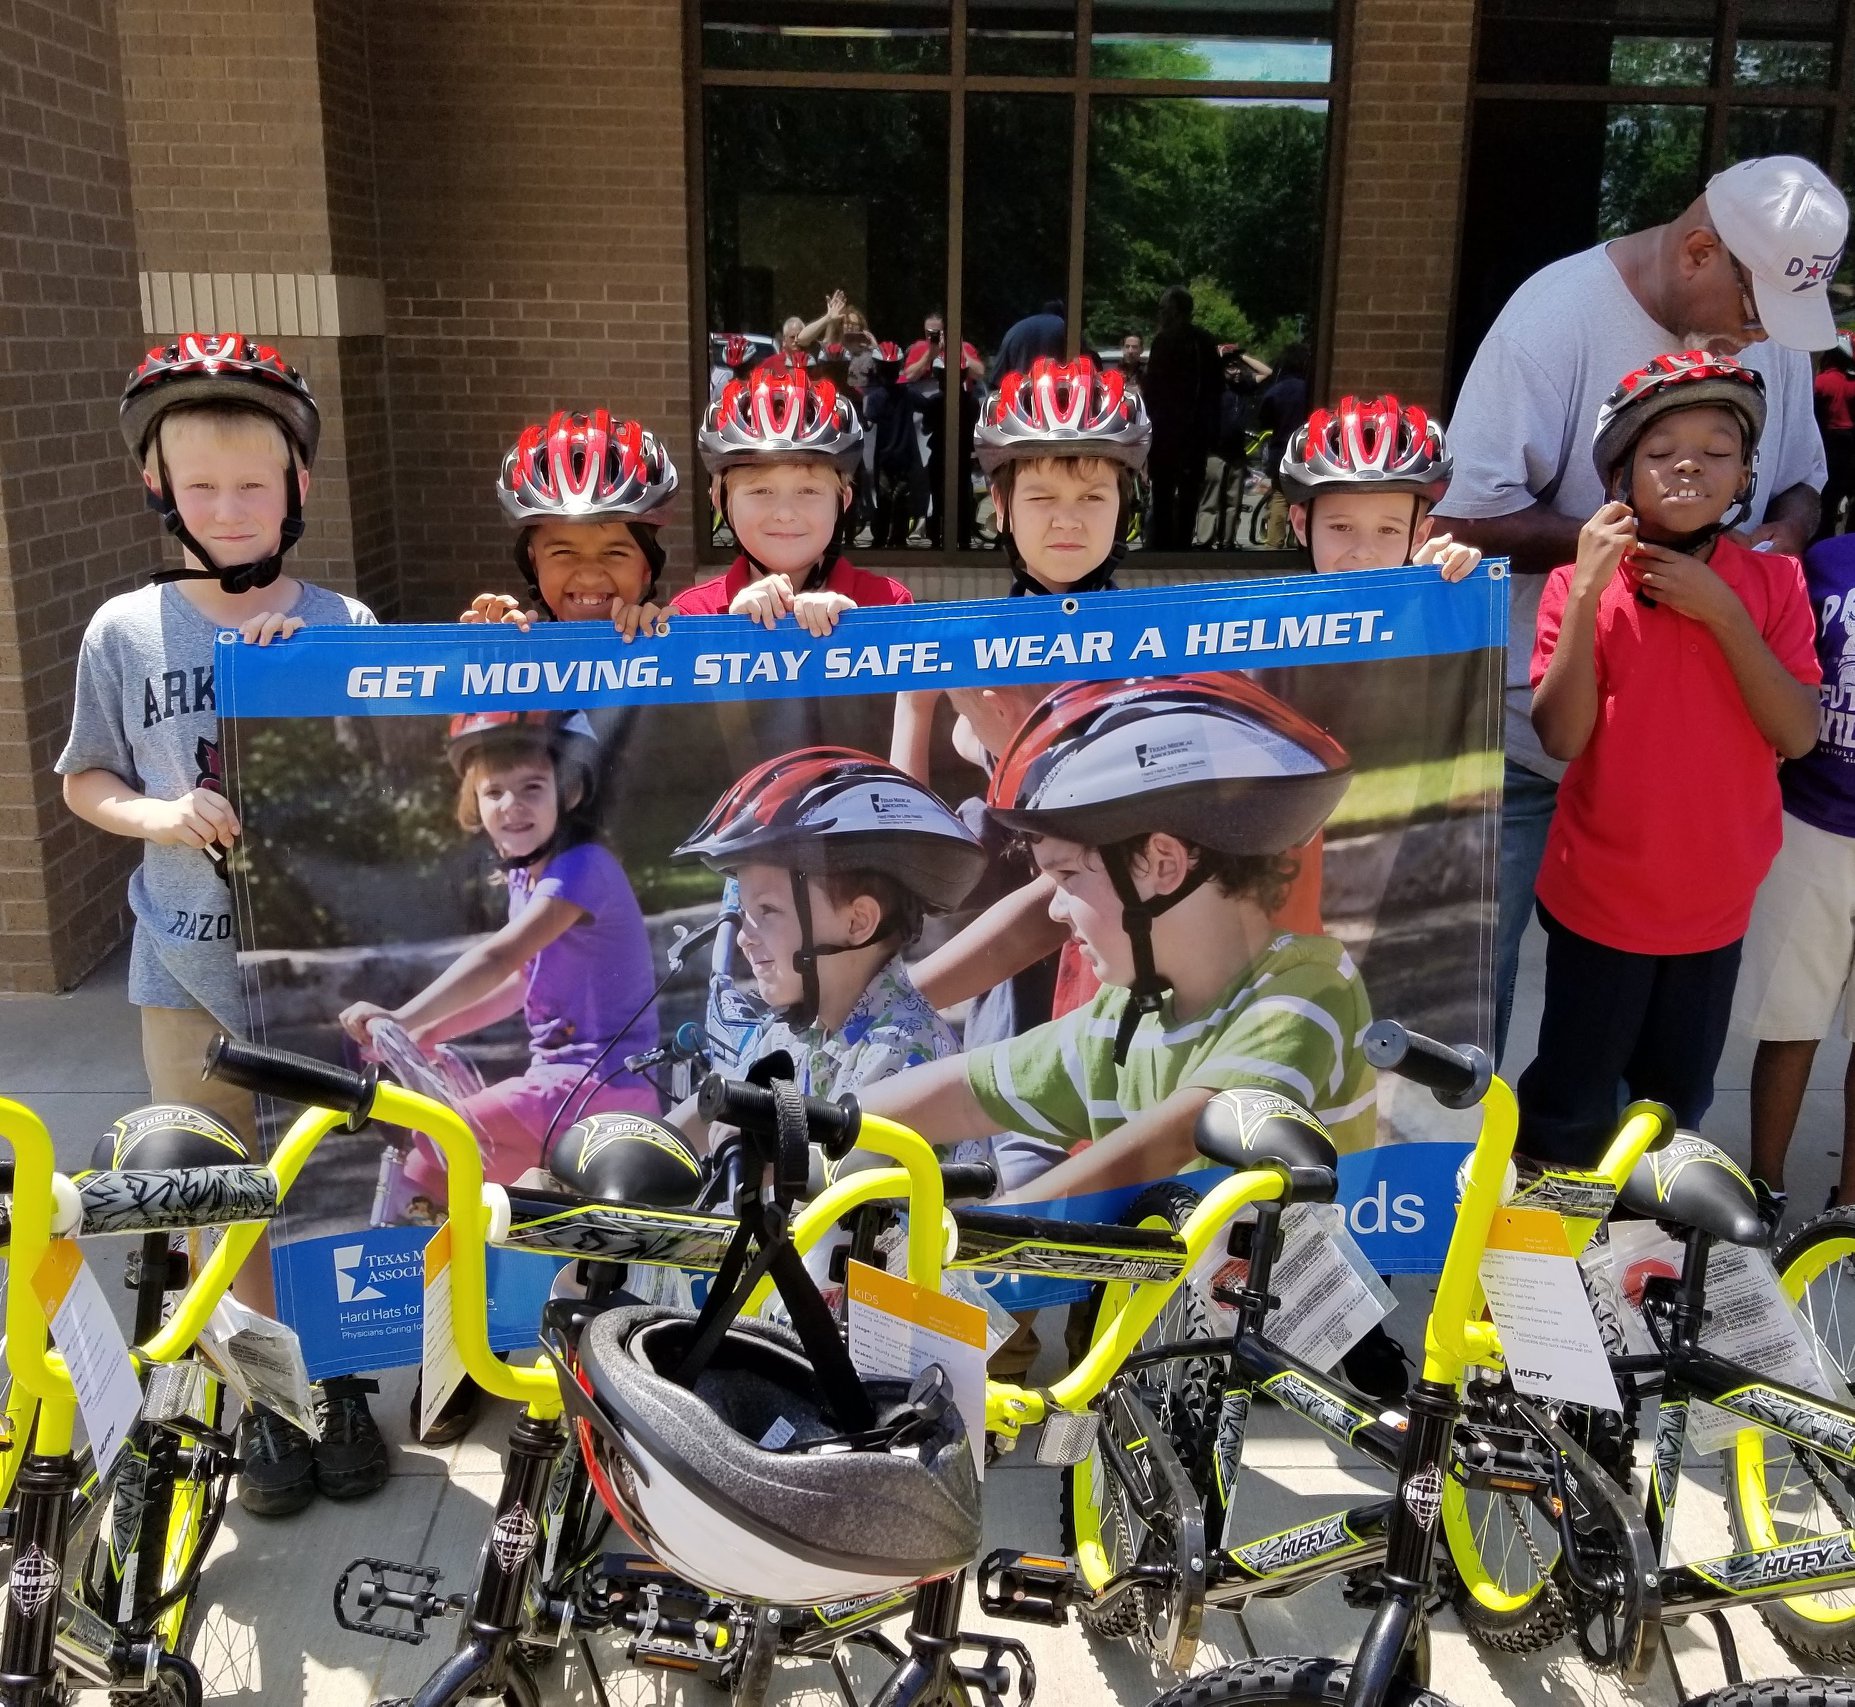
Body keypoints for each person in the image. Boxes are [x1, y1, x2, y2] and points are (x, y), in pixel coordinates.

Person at [56, 333, 386, 1516]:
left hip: (306, 965)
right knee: (214, 1194)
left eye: (254, 484)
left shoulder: (343, 618)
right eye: (202, 486)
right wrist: (157, 811)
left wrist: (318, 701)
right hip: (181, 965)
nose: (230, 507)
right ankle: (263, 1399)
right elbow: (85, 778)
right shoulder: (124, 630)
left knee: (330, 1183)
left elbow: (384, 787)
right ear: (157, 487)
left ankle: (338, 1381)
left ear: (298, 487)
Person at [1434, 155, 1844, 1065]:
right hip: (1525, 741)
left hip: (1673, 773)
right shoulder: (1553, 316)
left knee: (1628, 1040)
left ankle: (1617, 1202)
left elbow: (1805, 483)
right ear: (1700, 251)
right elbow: (1463, 511)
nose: (1761, 337)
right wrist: (1628, 548)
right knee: (1469, 1012)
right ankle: (1468, 1189)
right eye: (1752, 313)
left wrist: (1777, 533)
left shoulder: (1764, 324)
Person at [856, 675, 1376, 1196]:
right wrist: (821, 1122)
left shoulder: (1303, 994)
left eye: (1067, 878)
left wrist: (986, 1233)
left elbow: (1176, 1140)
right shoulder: (1128, 1016)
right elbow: (969, 1092)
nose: (1056, 909)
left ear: (1162, 863)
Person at [1518, 352, 1820, 1167]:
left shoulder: (1774, 583)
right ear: (1620, 476)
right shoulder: (1579, 584)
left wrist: (1723, 614)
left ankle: (1637, 1272)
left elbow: (1797, 732)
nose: (1689, 463)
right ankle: (1543, 1277)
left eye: (1717, 449)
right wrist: (1584, 589)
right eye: (1660, 451)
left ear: (1746, 475)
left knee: (1669, 1112)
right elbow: (1560, 735)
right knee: (1569, 1106)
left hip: (1714, 904)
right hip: (1600, 899)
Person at [338, 711, 661, 1187]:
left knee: (436, 1143)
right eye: (494, 792)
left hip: (602, 1086)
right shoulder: (524, 879)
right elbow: (521, 983)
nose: (512, 805)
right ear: (475, 805)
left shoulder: (582, 868)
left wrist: (403, 1016)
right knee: (483, 1195)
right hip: (565, 1087)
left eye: (532, 787)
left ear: (568, 793)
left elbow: (500, 958)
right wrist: (425, 1032)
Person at [668, 748, 988, 1128]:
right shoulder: (794, 1035)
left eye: (767, 911)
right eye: (746, 914)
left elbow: (819, 1174)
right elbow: (711, 1115)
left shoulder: (901, 1052)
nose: (744, 939)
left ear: (857, 923)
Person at [1740, 519, 1855, 1207]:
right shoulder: (1822, 564)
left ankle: (1846, 1207)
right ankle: (1763, 1190)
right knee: (1789, 1021)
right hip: (1809, 819)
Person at [679, 366, 912, 633]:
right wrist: (728, 635)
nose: (785, 513)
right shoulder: (691, 615)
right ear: (721, 501)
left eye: (808, 491)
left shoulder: (890, 605)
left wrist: (858, 634)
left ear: (843, 502)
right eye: (761, 491)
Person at [459, 410, 676, 638]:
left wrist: (667, 645)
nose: (589, 577)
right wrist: (485, 662)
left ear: (647, 566)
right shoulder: (511, 656)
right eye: (563, 551)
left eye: (615, 553)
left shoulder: (676, 647)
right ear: (533, 563)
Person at [1281, 395, 1482, 581]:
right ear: (1301, 524)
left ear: (1418, 537)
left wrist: (1437, 591)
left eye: (1388, 530)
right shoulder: (1270, 616)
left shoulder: (1423, 604)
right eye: (1341, 527)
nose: (1362, 553)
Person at [1143, 286, 1224, 550]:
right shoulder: (1204, 341)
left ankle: (1162, 544)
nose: (1161, 315)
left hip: (1169, 429)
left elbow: (1153, 388)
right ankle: (1181, 542)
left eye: (1164, 309)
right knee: (1188, 490)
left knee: (1164, 489)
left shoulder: (1165, 341)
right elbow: (1216, 386)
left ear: (1176, 312)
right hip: (1194, 429)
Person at [860, 342, 926, 549]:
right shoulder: (907, 393)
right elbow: (929, 405)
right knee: (899, 500)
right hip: (905, 456)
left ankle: (881, 539)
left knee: (886, 499)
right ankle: (897, 539)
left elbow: (868, 424)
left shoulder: (875, 398)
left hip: (885, 457)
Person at [1255, 344, 1312, 549]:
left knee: (1280, 497)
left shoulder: (1276, 390)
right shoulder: (1311, 389)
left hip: (1280, 449)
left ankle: (1273, 543)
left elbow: (1264, 420)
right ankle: (1302, 543)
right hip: (1306, 448)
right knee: (1304, 498)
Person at [1814, 342, 1855, 542]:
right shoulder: (1850, 383)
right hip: (1850, 440)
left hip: (1830, 441)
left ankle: (1824, 535)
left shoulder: (1822, 382)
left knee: (1829, 493)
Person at [990, 299, 1068, 383]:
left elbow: (996, 378)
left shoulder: (1016, 329)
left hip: (1018, 389)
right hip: (1053, 390)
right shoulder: (1066, 329)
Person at [901, 311, 984, 387]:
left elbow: (979, 374)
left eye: (936, 333)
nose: (931, 337)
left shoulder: (964, 347)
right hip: (925, 398)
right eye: (928, 333)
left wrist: (959, 351)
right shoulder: (919, 347)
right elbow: (909, 376)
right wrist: (928, 357)